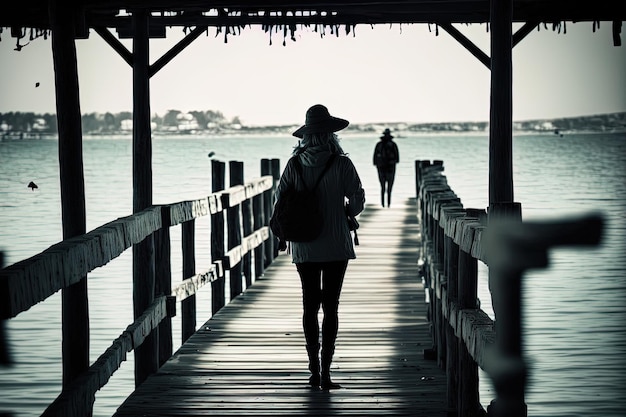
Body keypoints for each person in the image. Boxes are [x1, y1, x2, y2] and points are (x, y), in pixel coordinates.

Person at [274, 104, 365, 390]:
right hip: (336, 244)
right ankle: (326, 372)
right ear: (330, 135)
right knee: (331, 306)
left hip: (304, 246)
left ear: (306, 136)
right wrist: (347, 210)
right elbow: (358, 200)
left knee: (309, 304)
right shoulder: (342, 163)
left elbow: (280, 203)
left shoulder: (294, 164)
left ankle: (313, 368)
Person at [373, 128, 400, 207]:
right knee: (387, 188)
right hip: (388, 168)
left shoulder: (380, 145)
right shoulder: (391, 144)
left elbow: (374, 160)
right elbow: (397, 159)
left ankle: (385, 204)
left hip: (385, 168)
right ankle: (386, 204)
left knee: (384, 187)